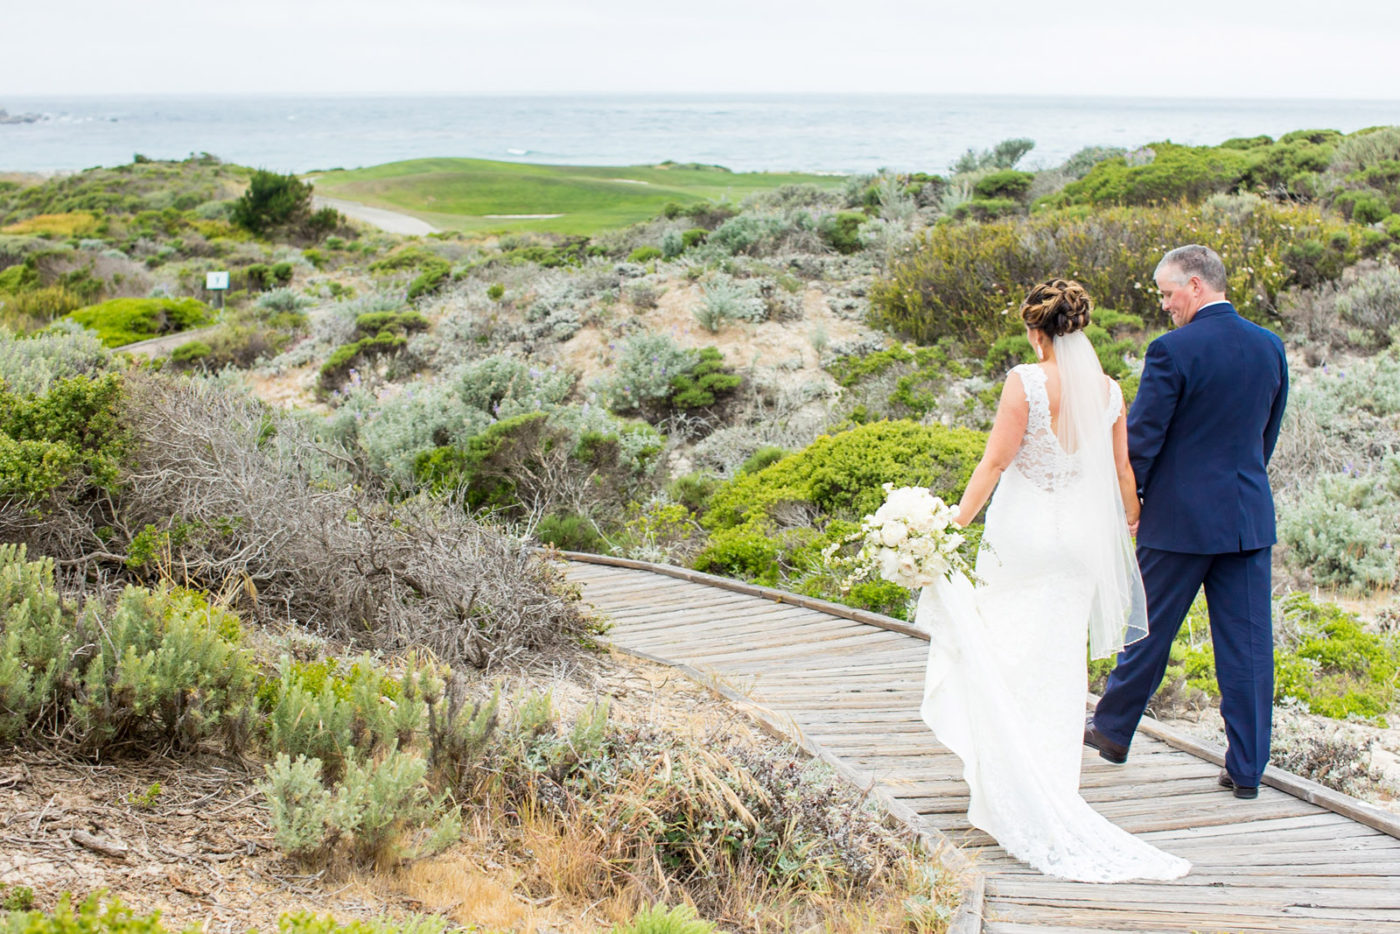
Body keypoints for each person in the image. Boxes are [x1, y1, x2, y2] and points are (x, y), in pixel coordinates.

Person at [917, 278, 1189, 882]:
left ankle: (1009, 779)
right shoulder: (1110, 390)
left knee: (1003, 648)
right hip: (1079, 549)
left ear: (1036, 329)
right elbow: (1122, 472)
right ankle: (1050, 781)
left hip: (1024, 537)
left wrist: (950, 524)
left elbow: (995, 460)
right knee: (1058, 664)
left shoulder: (1026, 381)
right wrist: (1132, 521)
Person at [1085, 245, 1288, 800]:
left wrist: (1131, 501)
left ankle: (1112, 731)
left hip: (1177, 520)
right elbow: (1264, 437)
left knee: (1147, 630)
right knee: (1247, 650)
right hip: (1247, 519)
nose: (1165, 305)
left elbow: (1144, 440)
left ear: (1195, 286)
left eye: (1167, 293)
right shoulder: (1270, 347)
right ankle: (1247, 771)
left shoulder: (1172, 351)